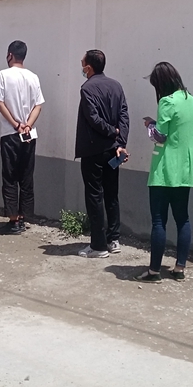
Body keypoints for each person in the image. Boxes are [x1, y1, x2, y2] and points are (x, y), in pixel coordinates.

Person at [138, 62, 193, 283]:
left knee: (159, 221)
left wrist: (150, 125)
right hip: (185, 170)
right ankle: (179, 268)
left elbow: (160, 136)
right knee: (183, 219)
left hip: (164, 170)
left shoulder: (166, 101)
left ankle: (154, 271)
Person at [75, 50, 129, 258]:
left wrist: (112, 132)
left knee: (94, 195)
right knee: (111, 194)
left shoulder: (87, 88)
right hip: (114, 150)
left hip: (93, 150)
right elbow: (124, 115)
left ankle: (98, 245)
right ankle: (113, 239)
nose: (81, 66)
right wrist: (120, 141)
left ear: (88, 67)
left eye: (82, 63)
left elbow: (93, 118)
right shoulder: (116, 86)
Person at [0, 40, 45, 235]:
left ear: (10, 55)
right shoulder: (33, 77)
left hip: (10, 133)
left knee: (10, 176)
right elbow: (38, 105)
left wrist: (15, 124)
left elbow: (0, 104)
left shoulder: (3, 75)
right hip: (29, 134)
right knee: (26, 175)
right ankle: (23, 216)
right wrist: (27, 125)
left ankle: (13, 220)